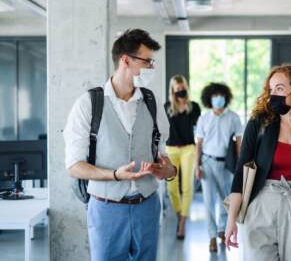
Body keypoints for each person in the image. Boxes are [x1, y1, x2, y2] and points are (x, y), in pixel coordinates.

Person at [64, 29, 177, 261]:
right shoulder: (88, 104)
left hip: (147, 206)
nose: (152, 68)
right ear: (126, 60)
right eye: (148, 61)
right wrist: (115, 175)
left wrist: (168, 171)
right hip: (106, 208)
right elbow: (74, 166)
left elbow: (164, 157)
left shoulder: (152, 103)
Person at [225, 64, 291, 261]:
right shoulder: (259, 123)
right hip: (260, 205)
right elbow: (241, 173)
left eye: (279, 89)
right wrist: (231, 221)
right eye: (271, 90)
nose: (273, 95)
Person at [195, 82, 242, 253]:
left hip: (227, 165)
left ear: (226, 97)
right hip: (207, 163)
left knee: (226, 200)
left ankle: (223, 230)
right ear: (209, 99)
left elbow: (239, 143)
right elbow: (198, 145)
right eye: (214, 96)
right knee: (208, 201)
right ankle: (212, 236)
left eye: (221, 96)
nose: (218, 99)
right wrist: (196, 166)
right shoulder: (204, 118)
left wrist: (240, 166)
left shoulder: (234, 117)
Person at [164, 75, 201, 240]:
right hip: (171, 150)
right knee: (171, 189)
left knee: (187, 187)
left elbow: (197, 129)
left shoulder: (194, 107)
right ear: (172, 90)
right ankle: (180, 214)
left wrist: (186, 105)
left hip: (188, 149)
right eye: (177, 89)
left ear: (186, 87)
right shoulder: (167, 107)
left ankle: (182, 224)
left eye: (182, 88)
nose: (180, 91)